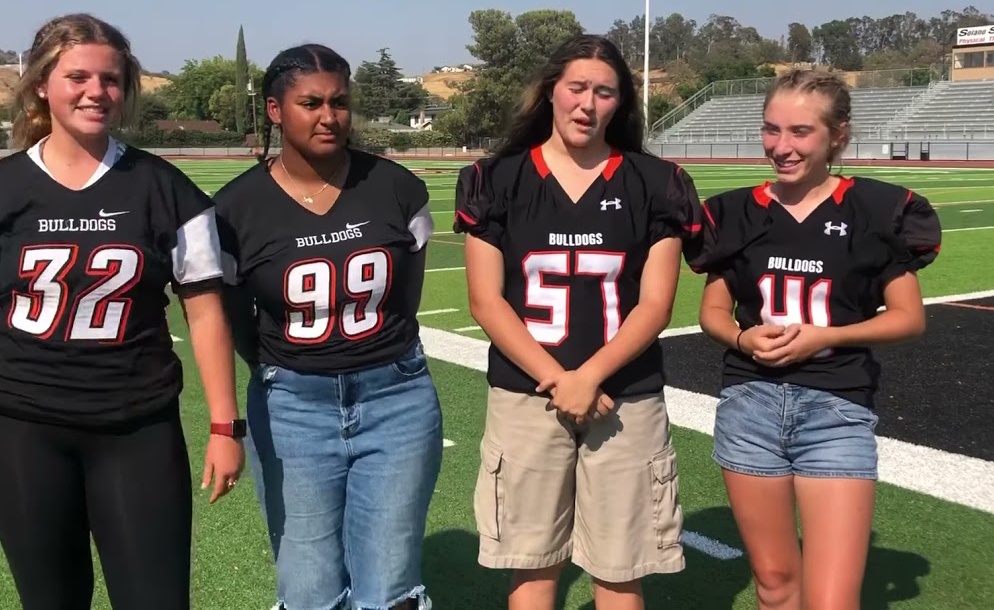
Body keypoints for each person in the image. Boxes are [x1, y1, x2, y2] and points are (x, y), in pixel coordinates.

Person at [0, 12, 246, 610]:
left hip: (135, 424)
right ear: (42, 83)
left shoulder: (166, 190)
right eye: (78, 77)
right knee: (52, 600)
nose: (97, 92)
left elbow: (204, 311)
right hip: (20, 427)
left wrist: (224, 425)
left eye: (111, 79)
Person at [453, 34, 704, 610]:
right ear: (550, 92)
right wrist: (561, 379)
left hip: (625, 396)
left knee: (621, 571)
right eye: (577, 88)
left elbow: (655, 305)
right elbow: (486, 302)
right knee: (532, 569)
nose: (588, 104)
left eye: (605, 92)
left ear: (623, 103)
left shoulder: (657, 182)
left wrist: (588, 377)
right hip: (526, 394)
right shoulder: (496, 180)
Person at [694, 69, 942, 610]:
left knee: (831, 600)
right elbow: (713, 309)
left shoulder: (876, 211)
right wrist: (742, 339)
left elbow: (908, 317)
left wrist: (827, 336)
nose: (781, 147)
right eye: (771, 130)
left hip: (837, 408)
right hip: (750, 405)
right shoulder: (734, 212)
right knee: (776, 586)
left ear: (838, 135)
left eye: (800, 132)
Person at [213, 43, 441, 610]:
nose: (328, 116)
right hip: (293, 404)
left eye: (339, 102)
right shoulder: (235, 209)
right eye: (310, 102)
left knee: (388, 585)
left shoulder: (395, 186)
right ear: (274, 110)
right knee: (308, 587)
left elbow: (405, 300)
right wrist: (283, 371)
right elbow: (235, 321)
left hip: (397, 397)